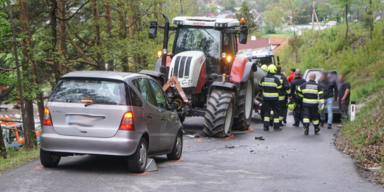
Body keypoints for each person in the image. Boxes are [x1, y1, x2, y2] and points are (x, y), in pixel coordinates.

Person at [259, 64, 282, 131]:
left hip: (266, 98)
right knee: (276, 111)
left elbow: (260, 85)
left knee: (267, 112)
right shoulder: (276, 79)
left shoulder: (263, 78)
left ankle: (266, 126)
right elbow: (279, 88)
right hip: (274, 99)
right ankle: (276, 126)